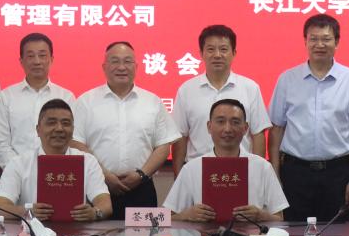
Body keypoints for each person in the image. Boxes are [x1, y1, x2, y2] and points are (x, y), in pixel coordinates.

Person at [268, 15, 349, 222]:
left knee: (336, 234)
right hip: (295, 173)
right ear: (305, 41)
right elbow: (276, 129)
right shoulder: (287, 79)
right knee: (294, 234)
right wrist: (275, 176)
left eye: (326, 39)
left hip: (338, 174)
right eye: (314, 39)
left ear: (337, 42)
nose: (319, 44)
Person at [73, 42, 181, 215]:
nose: (122, 67)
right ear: (104, 67)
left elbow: (163, 145)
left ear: (136, 67)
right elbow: (77, 143)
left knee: (145, 233)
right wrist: (104, 175)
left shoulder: (152, 101)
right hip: (97, 188)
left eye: (127, 61)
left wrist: (141, 175)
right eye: (115, 61)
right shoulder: (85, 102)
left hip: (142, 188)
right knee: (94, 232)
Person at [164, 99, 288, 222]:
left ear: (245, 128)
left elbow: (280, 218)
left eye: (235, 122)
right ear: (209, 126)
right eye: (221, 122)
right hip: (201, 235)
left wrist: (261, 216)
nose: (227, 129)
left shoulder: (263, 167)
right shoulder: (192, 168)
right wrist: (186, 215)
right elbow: (161, 219)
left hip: (251, 235)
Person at [171, 25, 271, 176]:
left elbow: (258, 135)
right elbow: (180, 137)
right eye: (211, 49)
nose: (217, 55)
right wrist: (178, 177)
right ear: (201, 53)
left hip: (240, 172)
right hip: (198, 172)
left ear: (234, 53)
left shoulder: (250, 88)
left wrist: (257, 174)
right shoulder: (186, 90)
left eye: (223, 49)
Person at [0, 99, 111, 222]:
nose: (59, 129)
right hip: (32, 231)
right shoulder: (18, 163)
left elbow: (105, 205)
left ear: (73, 130)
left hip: (77, 231)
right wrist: (27, 212)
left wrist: (94, 213)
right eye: (51, 123)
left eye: (66, 123)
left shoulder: (88, 161)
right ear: (38, 130)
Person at [0, 32, 76, 171]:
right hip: (16, 174)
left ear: (51, 59)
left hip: (56, 173)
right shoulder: (6, 96)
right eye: (31, 56)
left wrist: (51, 169)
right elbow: (1, 144)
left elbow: (72, 140)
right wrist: (21, 171)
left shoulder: (66, 97)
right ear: (21, 61)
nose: (37, 61)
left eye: (42, 55)